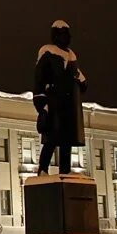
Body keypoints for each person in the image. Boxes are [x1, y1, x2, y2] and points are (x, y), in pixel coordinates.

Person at [33, 20, 88, 175]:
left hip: (69, 105)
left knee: (67, 141)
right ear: (56, 36)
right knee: (51, 139)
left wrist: (79, 79)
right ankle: (43, 169)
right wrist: (41, 103)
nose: (67, 38)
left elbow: (82, 82)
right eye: (63, 34)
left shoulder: (71, 56)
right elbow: (39, 79)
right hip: (53, 102)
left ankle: (65, 171)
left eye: (67, 35)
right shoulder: (47, 52)